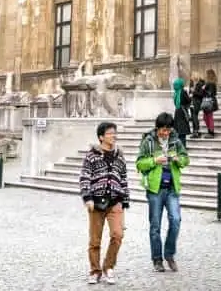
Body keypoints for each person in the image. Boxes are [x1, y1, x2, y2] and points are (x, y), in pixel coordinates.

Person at [135, 112, 188, 273]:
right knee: (155, 226)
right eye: (163, 130)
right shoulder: (148, 142)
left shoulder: (176, 141)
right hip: (155, 189)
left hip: (172, 188)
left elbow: (186, 159)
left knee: (176, 220)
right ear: (157, 128)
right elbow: (139, 164)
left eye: (168, 130)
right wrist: (154, 161)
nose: (166, 133)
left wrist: (179, 160)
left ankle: (169, 254)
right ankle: (157, 259)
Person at [79, 121, 129, 285]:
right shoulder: (91, 155)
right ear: (101, 137)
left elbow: (123, 180)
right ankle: (95, 271)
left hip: (115, 201)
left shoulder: (119, 155)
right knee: (95, 240)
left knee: (118, 235)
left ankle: (108, 267)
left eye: (114, 132)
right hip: (96, 202)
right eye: (109, 133)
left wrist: (124, 202)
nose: (113, 135)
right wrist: (87, 198)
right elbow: (85, 177)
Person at [200, 69, 219, 139]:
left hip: (208, 102)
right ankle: (210, 131)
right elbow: (214, 93)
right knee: (206, 117)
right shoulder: (212, 83)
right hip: (211, 101)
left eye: (206, 74)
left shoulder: (209, 83)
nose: (205, 75)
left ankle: (211, 132)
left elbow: (209, 93)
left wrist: (203, 89)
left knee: (208, 117)